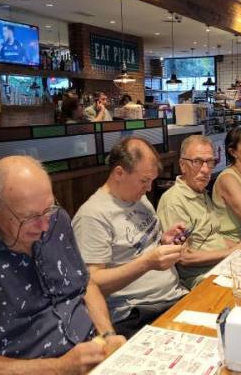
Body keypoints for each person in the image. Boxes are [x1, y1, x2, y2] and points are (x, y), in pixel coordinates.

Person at [0, 156, 125, 373]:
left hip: (96, 357)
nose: (45, 226)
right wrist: (59, 367)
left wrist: (108, 336)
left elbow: (86, 286)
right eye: (29, 217)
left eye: (47, 209)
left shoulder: (57, 220)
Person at [72, 137, 188, 338]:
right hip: (137, 313)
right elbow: (92, 283)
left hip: (176, 295)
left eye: (151, 181)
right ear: (119, 173)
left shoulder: (139, 198)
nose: (149, 188)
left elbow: (143, 247)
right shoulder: (92, 215)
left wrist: (163, 241)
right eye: (144, 181)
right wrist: (147, 263)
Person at [157, 135, 241, 289]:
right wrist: (235, 250)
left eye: (210, 162)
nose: (205, 169)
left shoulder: (201, 192)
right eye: (197, 162)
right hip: (202, 278)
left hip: (223, 267)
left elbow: (213, 238)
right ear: (182, 165)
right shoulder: (173, 200)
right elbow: (183, 257)